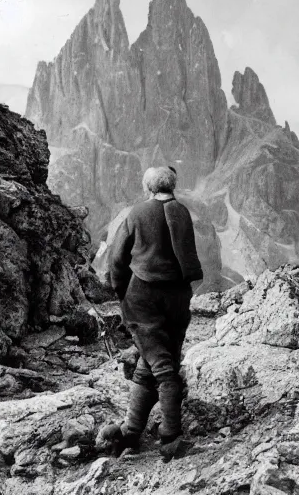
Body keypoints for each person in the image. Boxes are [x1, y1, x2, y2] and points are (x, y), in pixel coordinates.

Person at [97, 166, 203, 460]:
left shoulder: (136, 213)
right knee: (149, 365)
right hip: (178, 299)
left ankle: (170, 438)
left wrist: (121, 294)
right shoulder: (182, 212)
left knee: (161, 368)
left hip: (143, 298)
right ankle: (131, 433)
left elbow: (117, 259)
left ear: (148, 188)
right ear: (173, 186)